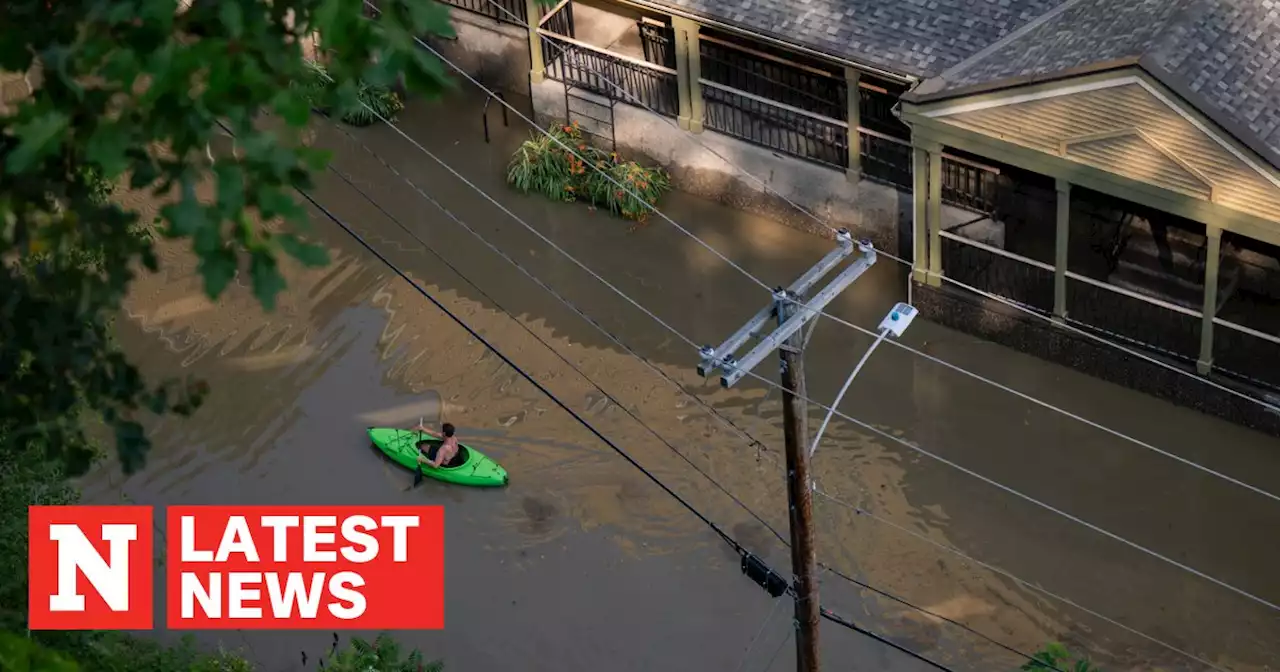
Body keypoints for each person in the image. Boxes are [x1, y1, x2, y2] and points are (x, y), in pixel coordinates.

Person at [411, 421, 459, 486]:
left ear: (444, 433)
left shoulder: (443, 449)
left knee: (422, 446)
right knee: (425, 446)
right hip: (453, 458)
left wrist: (422, 460)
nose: (441, 432)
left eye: (442, 431)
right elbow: (435, 434)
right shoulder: (453, 438)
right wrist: (423, 429)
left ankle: (423, 454)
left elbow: (436, 466)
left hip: (444, 462)